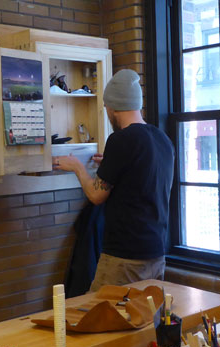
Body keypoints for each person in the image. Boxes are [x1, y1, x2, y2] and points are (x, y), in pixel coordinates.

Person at [53, 69, 174, 291]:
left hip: (124, 256)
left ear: (112, 107)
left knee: (101, 318)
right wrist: (109, 165)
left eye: (106, 108)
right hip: (156, 253)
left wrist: (77, 167)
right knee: (144, 319)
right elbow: (139, 179)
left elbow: (96, 195)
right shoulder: (162, 139)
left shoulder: (121, 140)